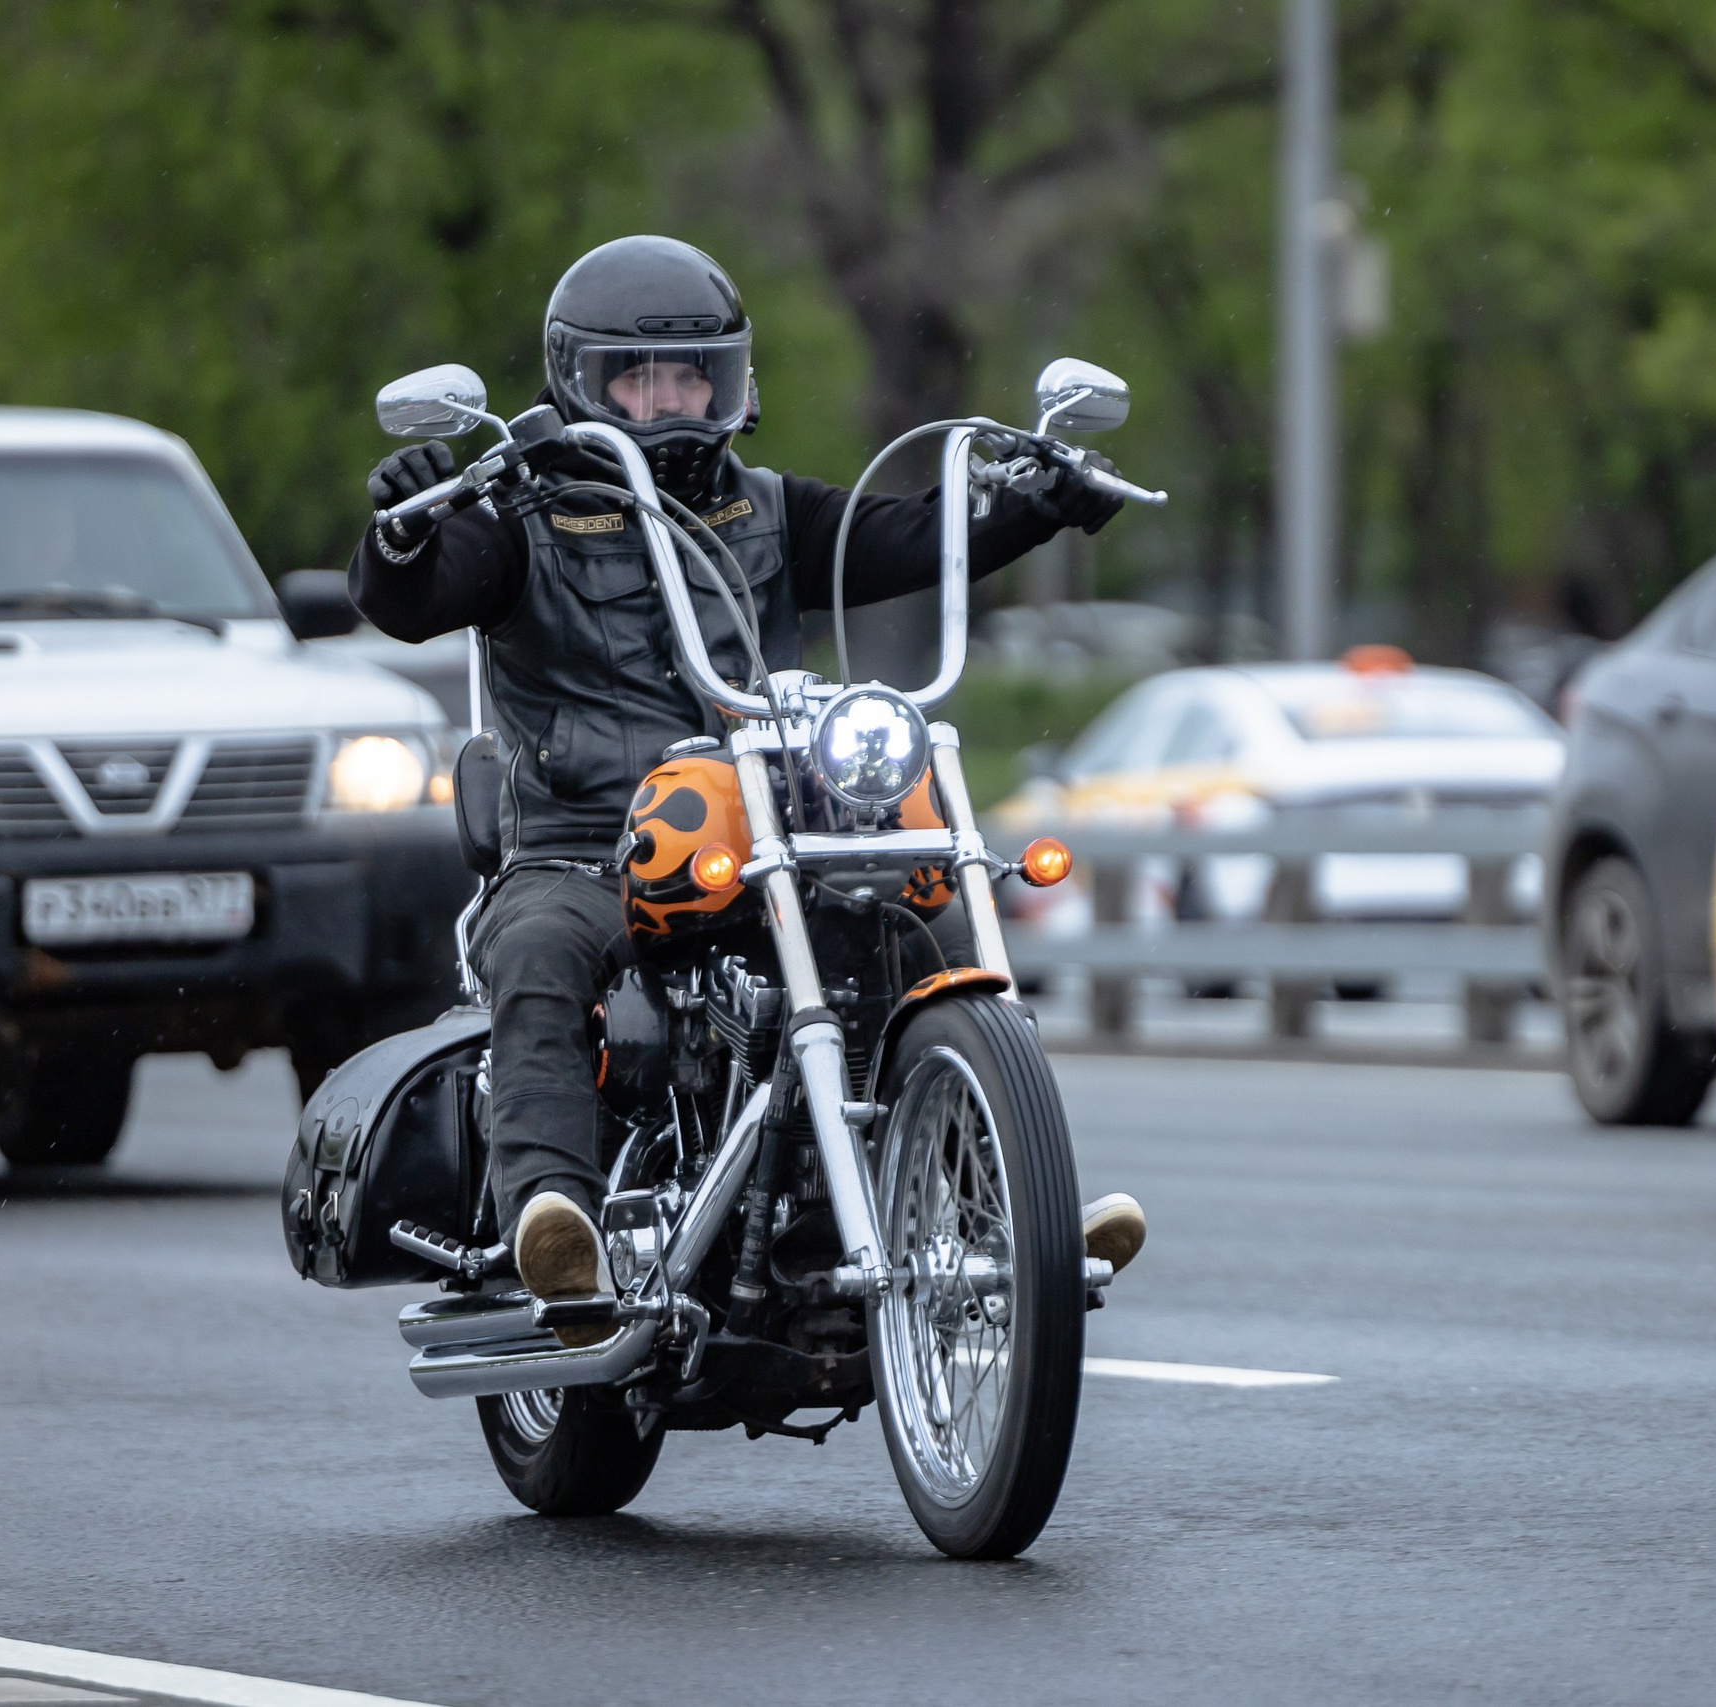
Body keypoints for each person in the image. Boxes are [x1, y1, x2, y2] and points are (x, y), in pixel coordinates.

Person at [349, 235, 1146, 1321]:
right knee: (536, 946)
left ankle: (1006, 1202)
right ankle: (556, 1221)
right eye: (641, 377)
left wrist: (1037, 502)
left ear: (729, 383)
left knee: (925, 909)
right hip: (584, 845)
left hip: (769, 827)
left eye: (691, 377)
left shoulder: (770, 508)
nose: (671, 400)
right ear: (584, 380)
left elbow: (912, 539)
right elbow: (408, 600)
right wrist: (400, 534)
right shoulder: (519, 519)